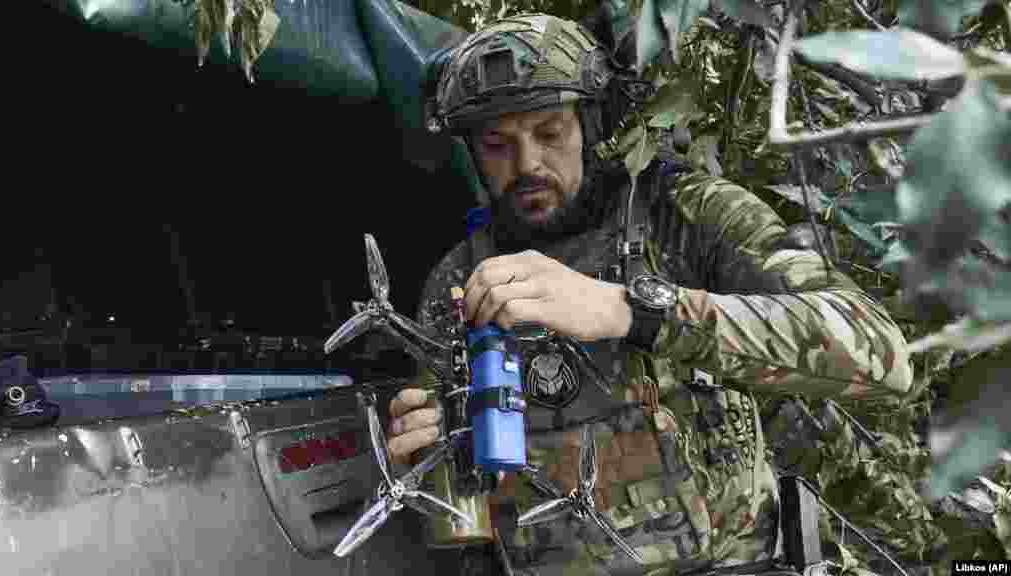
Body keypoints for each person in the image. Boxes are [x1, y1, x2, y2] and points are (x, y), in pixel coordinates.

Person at [386, 12, 913, 576]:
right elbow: (463, 515)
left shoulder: (683, 213)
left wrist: (630, 309)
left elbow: (878, 352)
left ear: (591, 124)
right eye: (497, 145)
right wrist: (432, 455)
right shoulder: (461, 281)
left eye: (549, 133)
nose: (528, 165)